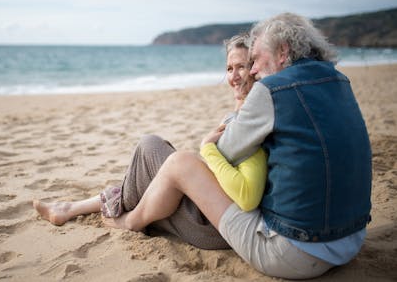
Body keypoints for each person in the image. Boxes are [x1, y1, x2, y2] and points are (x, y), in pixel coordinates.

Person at [103, 13, 372, 280]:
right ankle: (112, 202)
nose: (253, 70)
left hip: (295, 253)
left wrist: (207, 145)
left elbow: (226, 153)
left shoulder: (272, 89)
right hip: (350, 239)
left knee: (181, 163)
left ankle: (128, 220)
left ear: (283, 51)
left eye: (255, 59)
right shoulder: (339, 81)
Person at [33, 33, 267, 250]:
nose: (233, 76)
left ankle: (86, 211)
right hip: (204, 208)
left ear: (255, 69)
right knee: (151, 164)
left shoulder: (250, 121)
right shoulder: (237, 115)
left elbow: (241, 190)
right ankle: (70, 208)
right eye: (229, 68)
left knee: (150, 149)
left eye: (241, 67)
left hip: (212, 224)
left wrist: (205, 149)